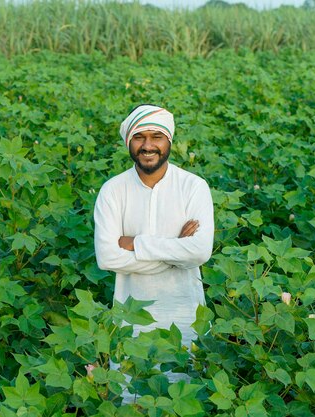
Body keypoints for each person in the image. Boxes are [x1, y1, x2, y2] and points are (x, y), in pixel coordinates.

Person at [93, 104, 214, 391]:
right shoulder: (113, 190)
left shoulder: (194, 187)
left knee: (186, 400)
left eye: (156, 137)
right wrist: (175, 251)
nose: (148, 146)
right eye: (139, 137)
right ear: (129, 143)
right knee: (130, 401)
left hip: (186, 320)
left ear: (169, 141)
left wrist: (135, 244)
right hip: (130, 321)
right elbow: (107, 256)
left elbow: (199, 252)